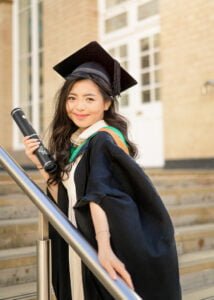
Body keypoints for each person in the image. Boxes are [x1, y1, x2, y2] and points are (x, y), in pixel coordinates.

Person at [23, 41, 181, 300]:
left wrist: (104, 246)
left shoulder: (103, 139)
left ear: (107, 103)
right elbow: (66, 193)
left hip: (104, 242)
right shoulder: (80, 140)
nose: (78, 107)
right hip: (83, 240)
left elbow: (100, 194)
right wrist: (39, 161)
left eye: (89, 98)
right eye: (72, 98)